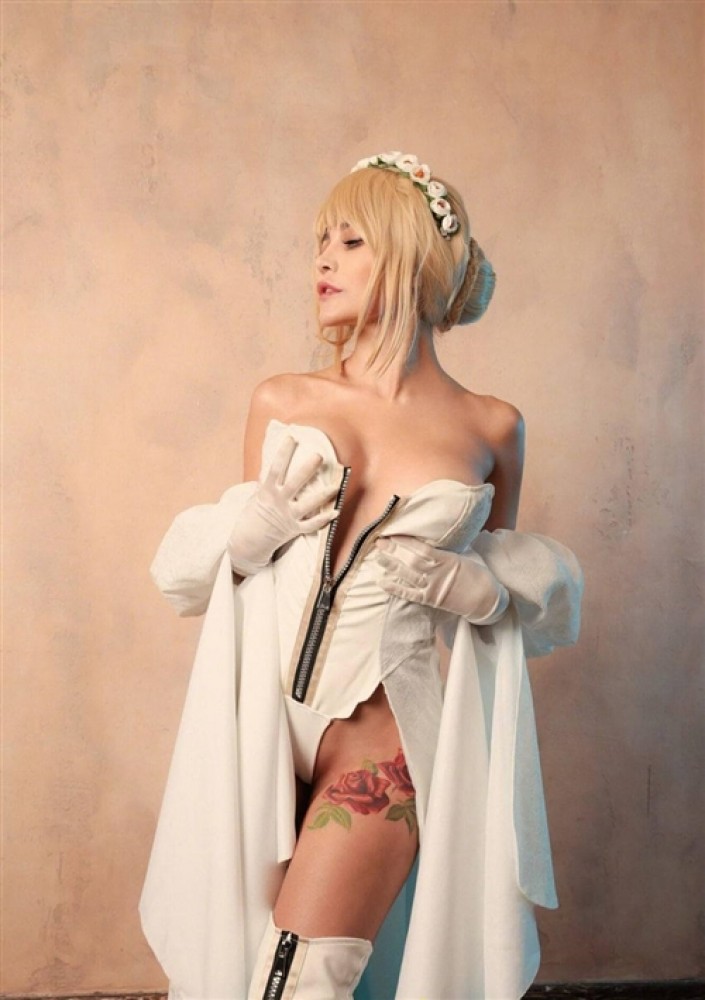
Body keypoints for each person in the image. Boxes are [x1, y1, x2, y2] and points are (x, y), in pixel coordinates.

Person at [140, 152, 583, 1000]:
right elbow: (229, 587)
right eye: (321, 242)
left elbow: (502, 588)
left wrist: (483, 592)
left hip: (384, 737)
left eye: (350, 242)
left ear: (410, 256)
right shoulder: (282, 400)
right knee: (231, 968)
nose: (323, 260)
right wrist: (246, 537)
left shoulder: (492, 428)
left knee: (303, 981)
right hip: (259, 723)